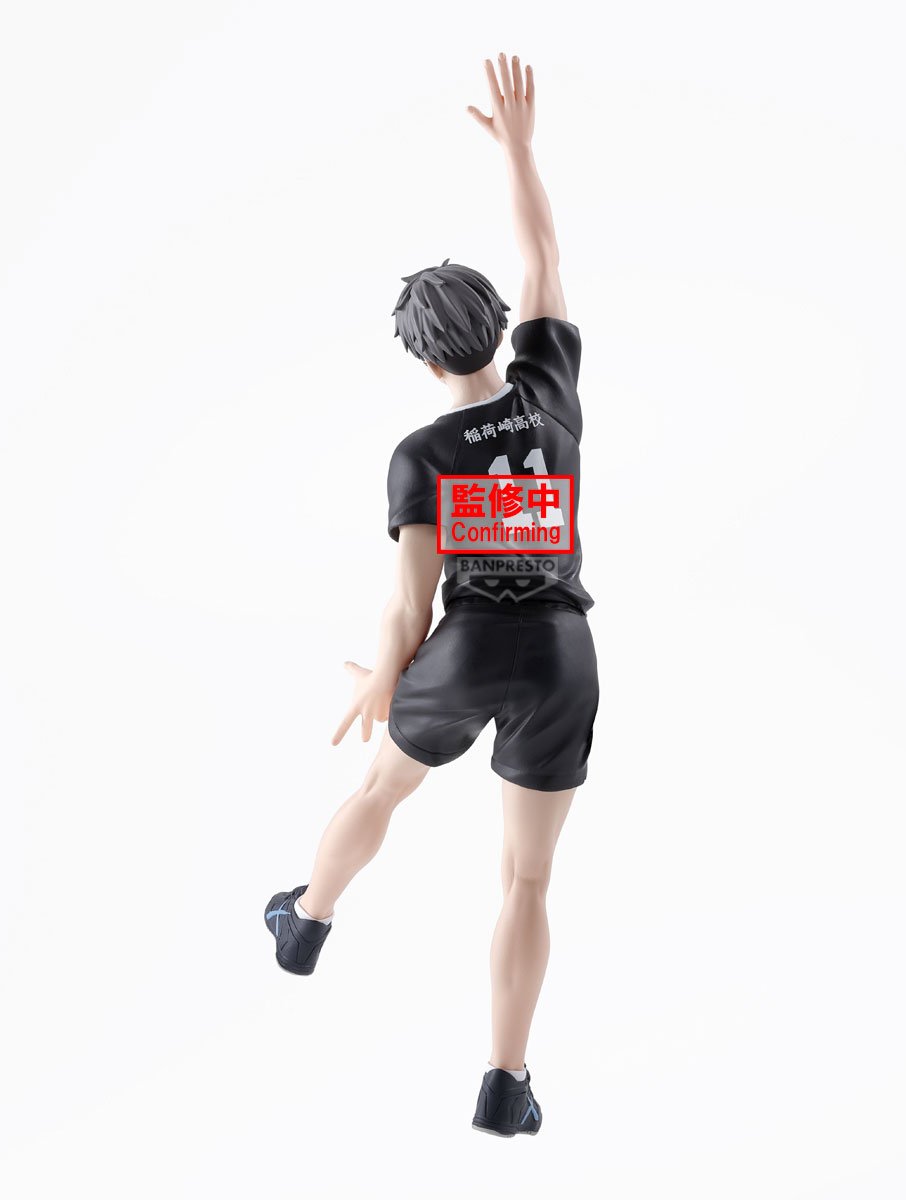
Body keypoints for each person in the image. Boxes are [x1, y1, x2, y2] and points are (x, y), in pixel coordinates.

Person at [264, 52, 598, 1139]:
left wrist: (384, 677)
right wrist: (518, 150)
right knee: (526, 883)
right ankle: (505, 1084)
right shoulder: (551, 393)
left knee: (379, 790)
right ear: (502, 323)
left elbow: (410, 610)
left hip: (463, 654)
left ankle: (307, 921)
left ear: (420, 359)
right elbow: (543, 252)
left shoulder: (422, 453)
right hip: (561, 658)